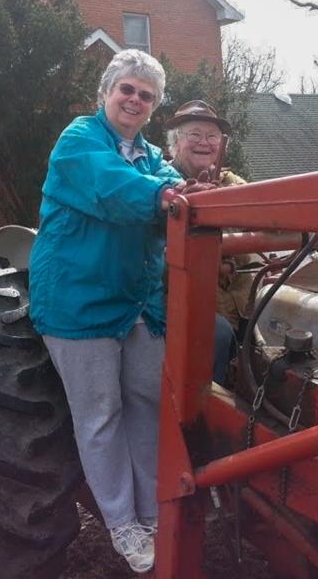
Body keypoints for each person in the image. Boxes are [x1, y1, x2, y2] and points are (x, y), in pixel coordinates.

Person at [29, 50, 207, 574]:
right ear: (106, 93)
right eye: (127, 89)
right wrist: (173, 195)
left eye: (146, 95)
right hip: (79, 298)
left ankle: (150, 513)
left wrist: (197, 193)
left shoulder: (152, 158)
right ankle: (121, 523)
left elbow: (179, 192)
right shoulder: (79, 141)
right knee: (100, 413)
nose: (135, 99)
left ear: (153, 108)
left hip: (138, 301)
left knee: (146, 404)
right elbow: (113, 189)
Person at [165, 100, 253, 376]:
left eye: (212, 136)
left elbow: (268, 212)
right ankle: (199, 409)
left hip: (238, 303)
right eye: (194, 134)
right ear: (176, 142)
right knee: (216, 333)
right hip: (178, 300)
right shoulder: (160, 182)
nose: (204, 142)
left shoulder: (234, 184)